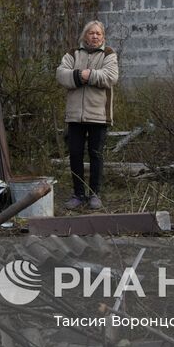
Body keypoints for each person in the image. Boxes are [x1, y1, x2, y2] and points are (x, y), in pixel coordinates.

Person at [56, 21, 119, 210]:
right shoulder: (72, 53)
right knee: (75, 154)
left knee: (96, 155)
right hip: (75, 115)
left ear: (103, 37)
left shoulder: (108, 54)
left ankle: (95, 194)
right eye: (91, 33)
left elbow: (110, 77)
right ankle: (78, 194)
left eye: (98, 33)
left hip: (99, 115)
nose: (95, 36)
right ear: (85, 35)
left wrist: (87, 75)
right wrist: (79, 76)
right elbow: (61, 74)